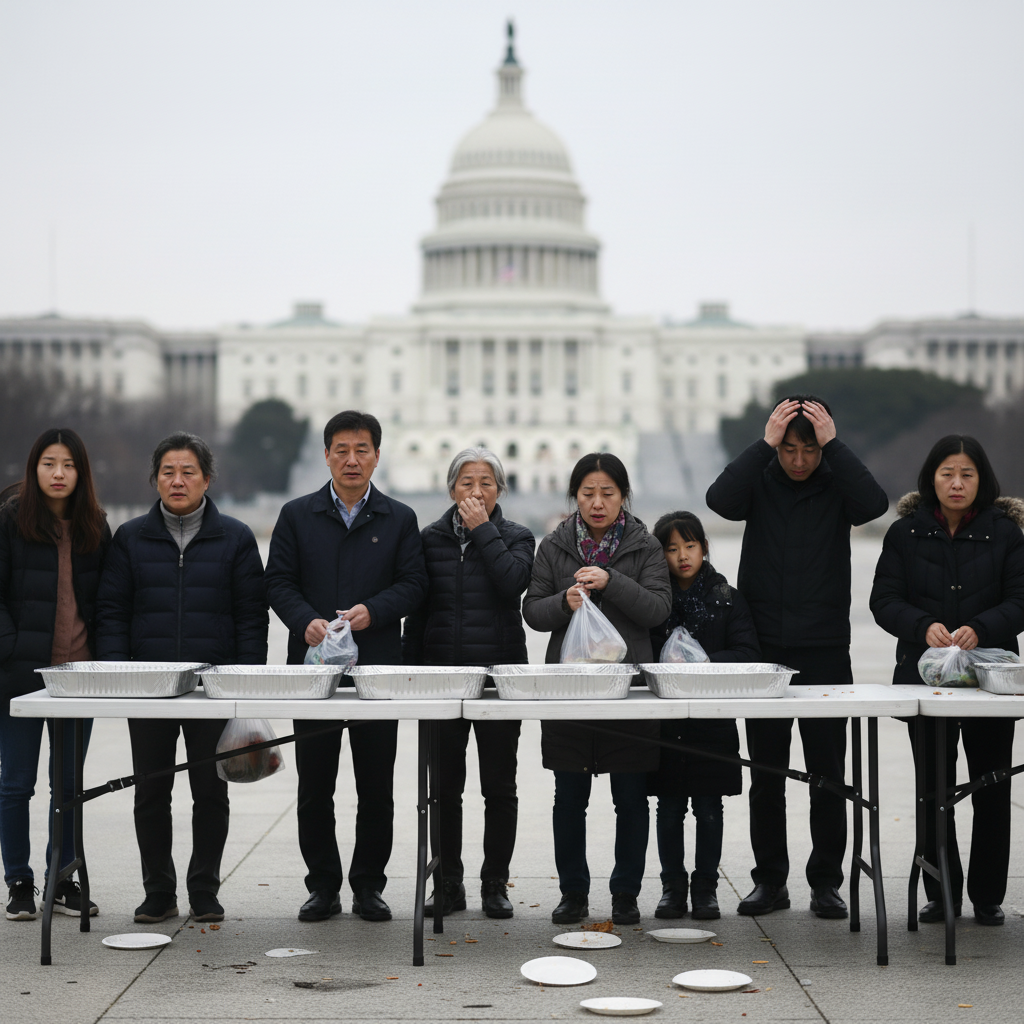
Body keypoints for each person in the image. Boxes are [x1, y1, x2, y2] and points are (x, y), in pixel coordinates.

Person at [706, 396, 888, 919]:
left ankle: (826, 880)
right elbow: (719, 499)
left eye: (810, 448)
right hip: (764, 645)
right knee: (767, 772)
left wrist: (837, 445)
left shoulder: (837, 482)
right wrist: (762, 442)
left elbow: (874, 505)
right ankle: (770, 881)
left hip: (825, 645)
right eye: (790, 448)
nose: (800, 460)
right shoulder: (760, 477)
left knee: (828, 772)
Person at [96, 432, 268, 924]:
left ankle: (204, 888)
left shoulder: (234, 537)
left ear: (207, 479)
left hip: (210, 690)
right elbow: (112, 612)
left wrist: (244, 685)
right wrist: (118, 675)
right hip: (148, 687)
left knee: (211, 790)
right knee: (151, 791)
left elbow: (251, 616)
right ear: (155, 479)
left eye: (188, 471)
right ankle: (158, 892)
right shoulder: (131, 537)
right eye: (168, 472)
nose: (177, 480)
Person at [265, 410, 428, 924]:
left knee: (375, 786)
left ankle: (368, 886)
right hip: (313, 671)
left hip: (376, 671)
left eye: (362, 449)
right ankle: (323, 886)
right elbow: (278, 582)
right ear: (327, 454)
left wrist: (374, 611)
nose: (352, 459)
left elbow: (415, 584)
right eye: (342, 449)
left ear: (377, 455)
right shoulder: (297, 514)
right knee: (315, 784)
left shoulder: (399, 518)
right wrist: (305, 620)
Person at [870, 434, 1024, 926]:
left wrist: (983, 627)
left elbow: (1020, 599)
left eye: (967, 474)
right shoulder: (905, 533)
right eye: (947, 474)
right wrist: (922, 627)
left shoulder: (1006, 532)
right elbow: (884, 600)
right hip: (924, 679)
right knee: (932, 790)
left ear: (983, 480)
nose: (956, 484)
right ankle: (941, 890)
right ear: (930, 478)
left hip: (990, 679)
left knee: (991, 785)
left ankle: (987, 895)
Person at [523, 453, 671, 926]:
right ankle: (573, 894)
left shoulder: (645, 546)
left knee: (631, 798)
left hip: (626, 690)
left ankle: (626, 893)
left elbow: (657, 610)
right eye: (588, 493)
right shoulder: (554, 546)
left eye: (608, 492)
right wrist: (564, 603)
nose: (597, 502)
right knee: (569, 798)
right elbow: (532, 611)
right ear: (575, 497)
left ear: (623, 495)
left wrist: (612, 581)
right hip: (568, 690)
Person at [403, 447, 535, 919]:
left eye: (486, 482)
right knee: (444, 789)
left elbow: (511, 583)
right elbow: (417, 612)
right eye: (466, 482)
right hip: (442, 679)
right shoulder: (428, 539)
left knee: (499, 786)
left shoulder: (517, 536)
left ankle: (495, 883)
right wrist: (408, 674)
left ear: (500, 490)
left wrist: (483, 531)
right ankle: (449, 882)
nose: (476, 491)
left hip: (499, 678)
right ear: (450, 489)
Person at [0, 429, 110, 921]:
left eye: (68, 464)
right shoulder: (9, 520)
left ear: (81, 472)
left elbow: (105, 600)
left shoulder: (95, 526)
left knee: (67, 786)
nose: (59, 473)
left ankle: (61, 878)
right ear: (35, 468)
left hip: (77, 676)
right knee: (15, 784)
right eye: (49, 463)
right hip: (21, 673)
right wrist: (9, 651)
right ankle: (19, 881)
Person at [648, 511, 760, 921]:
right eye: (672, 548)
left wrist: (703, 661)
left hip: (712, 720)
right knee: (669, 806)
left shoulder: (726, 596)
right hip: (668, 721)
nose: (682, 557)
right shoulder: (654, 599)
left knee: (710, 806)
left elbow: (748, 653)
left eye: (690, 546)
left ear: (704, 548)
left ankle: (706, 888)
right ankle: (672, 888)